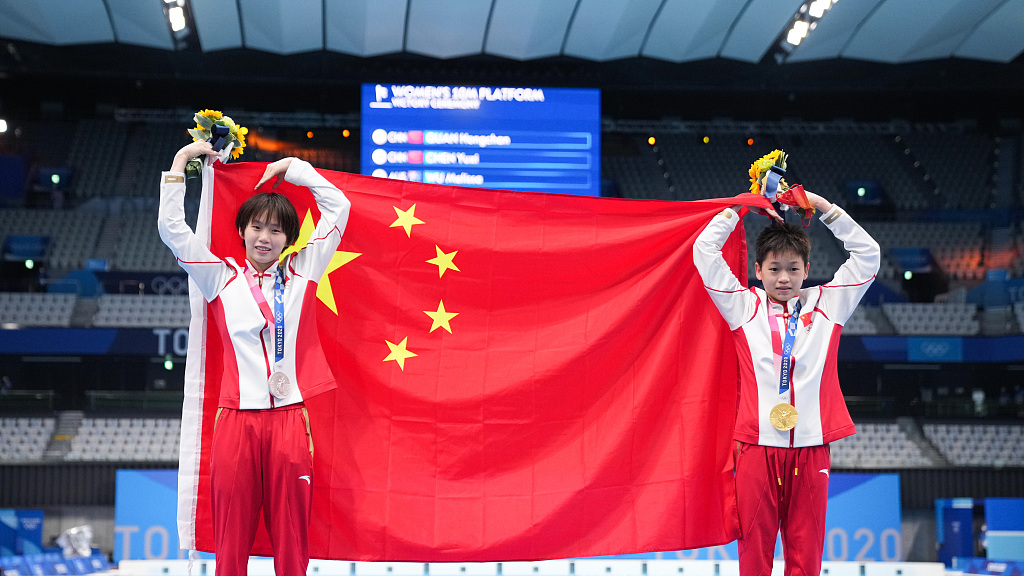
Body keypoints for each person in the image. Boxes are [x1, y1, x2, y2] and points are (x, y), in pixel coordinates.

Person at [158, 140, 351, 576]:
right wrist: (180, 162)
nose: (265, 237)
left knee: (292, 540)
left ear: (289, 238)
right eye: (257, 227)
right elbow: (173, 230)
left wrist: (293, 168)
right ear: (243, 230)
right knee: (230, 540)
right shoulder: (219, 277)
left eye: (276, 230)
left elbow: (338, 207)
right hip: (235, 422)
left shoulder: (304, 272)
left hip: (289, 420)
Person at [693, 187, 880, 576]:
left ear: (807, 271)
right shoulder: (742, 306)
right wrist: (740, 207)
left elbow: (868, 255)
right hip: (756, 448)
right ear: (758, 270)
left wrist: (822, 206)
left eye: (793, 269)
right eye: (774, 269)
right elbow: (704, 251)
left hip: (811, 449)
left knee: (806, 556)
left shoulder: (829, 304)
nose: (783, 278)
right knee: (754, 554)